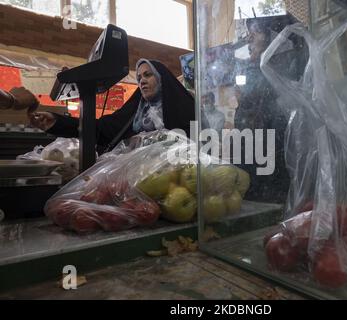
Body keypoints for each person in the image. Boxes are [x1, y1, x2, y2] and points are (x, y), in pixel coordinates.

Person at [29, 59, 195, 153]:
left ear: (161, 78)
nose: (142, 80)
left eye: (148, 75)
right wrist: (56, 122)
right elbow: (101, 129)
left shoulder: (186, 109)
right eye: (139, 78)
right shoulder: (134, 112)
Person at [233, 14, 308, 204]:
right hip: (251, 186)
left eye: (255, 32)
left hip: (272, 192)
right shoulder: (255, 77)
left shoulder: (283, 86)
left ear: (276, 39)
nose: (248, 38)